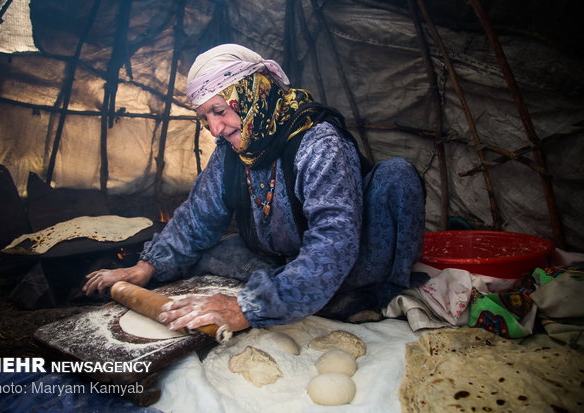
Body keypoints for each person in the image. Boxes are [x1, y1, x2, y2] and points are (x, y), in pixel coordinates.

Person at [83, 43, 426, 334]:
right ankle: (303, 290)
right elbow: (198, 218)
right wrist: (146, 267)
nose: (215, 129)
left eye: (218, 111)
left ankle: (368, 294)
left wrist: (244, 309)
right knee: (207, 253)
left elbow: (334, 242)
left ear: (252, 93)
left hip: (348, 260)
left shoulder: (317, 142)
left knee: (396, 175)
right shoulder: (233, 150)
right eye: (205, 118)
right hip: (279, 258)